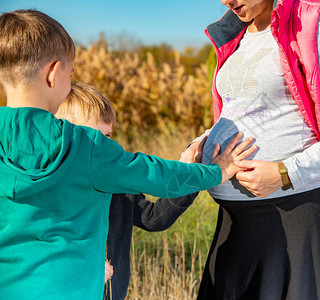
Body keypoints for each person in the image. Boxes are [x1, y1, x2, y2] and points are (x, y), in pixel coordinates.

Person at [0, 9, 257, 299]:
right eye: (70, 75)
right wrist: (217, 171)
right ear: (53, 73)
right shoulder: (85, 145)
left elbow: (152, 216)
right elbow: (156, 174)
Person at [180, 0, 320, 298]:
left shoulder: (313, 24)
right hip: (236, 221)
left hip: (294, 217)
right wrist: (201, 141)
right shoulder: (236, 35)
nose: (227, 1)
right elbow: (242, 109)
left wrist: (286, 172)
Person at [55, 82, 205, 300]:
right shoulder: (52, 188)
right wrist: (85, 260)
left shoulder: (120, 186)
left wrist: (189, 177)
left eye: (107, 137)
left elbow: (153, 218)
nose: (104, 147)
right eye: (93, 137)